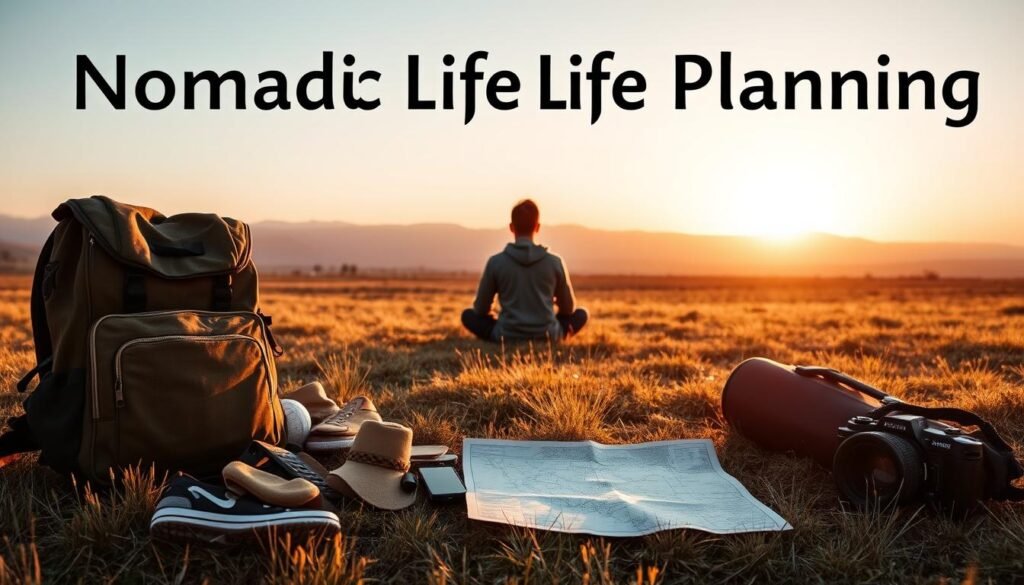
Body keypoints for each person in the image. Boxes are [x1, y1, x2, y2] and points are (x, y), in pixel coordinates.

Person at [462, 199, 589, 342]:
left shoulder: (496, 262)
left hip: (506, 335)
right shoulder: (555, 262)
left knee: (468, 315)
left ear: (511, 227)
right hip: (548, 335)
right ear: (537, 227)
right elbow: (568, 309)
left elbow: (480, 309)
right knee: (581, 314)